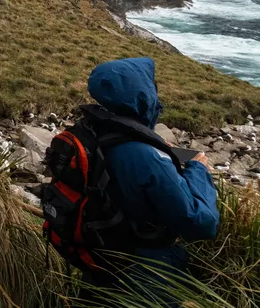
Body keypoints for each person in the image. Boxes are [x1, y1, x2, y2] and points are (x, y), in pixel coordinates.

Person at [79, 57, 219, 300]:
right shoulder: (146, 156)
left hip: (97, 259)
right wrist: (198, 170)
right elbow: (200, 223)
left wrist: (151, 145)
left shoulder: (88, 133)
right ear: (143, 95)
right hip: (143, 272)